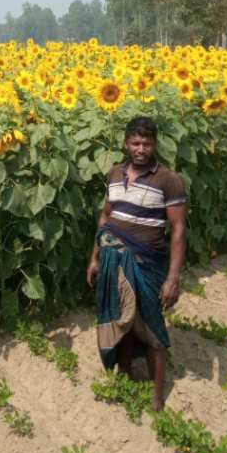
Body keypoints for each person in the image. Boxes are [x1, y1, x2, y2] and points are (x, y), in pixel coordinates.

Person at [86, 115, 186, 411]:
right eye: (135, 142)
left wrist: (173, 278)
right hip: (111, 259)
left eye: (147, 143)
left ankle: (156, 395)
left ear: (155, 145)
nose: (141, 148)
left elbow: (178, 230)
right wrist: (93, 257)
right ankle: (126, 374)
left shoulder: (168, 180)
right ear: (126, 144)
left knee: (151, 327)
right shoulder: (115, 174)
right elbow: (106, 217)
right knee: (123, 321)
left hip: (146, 262)